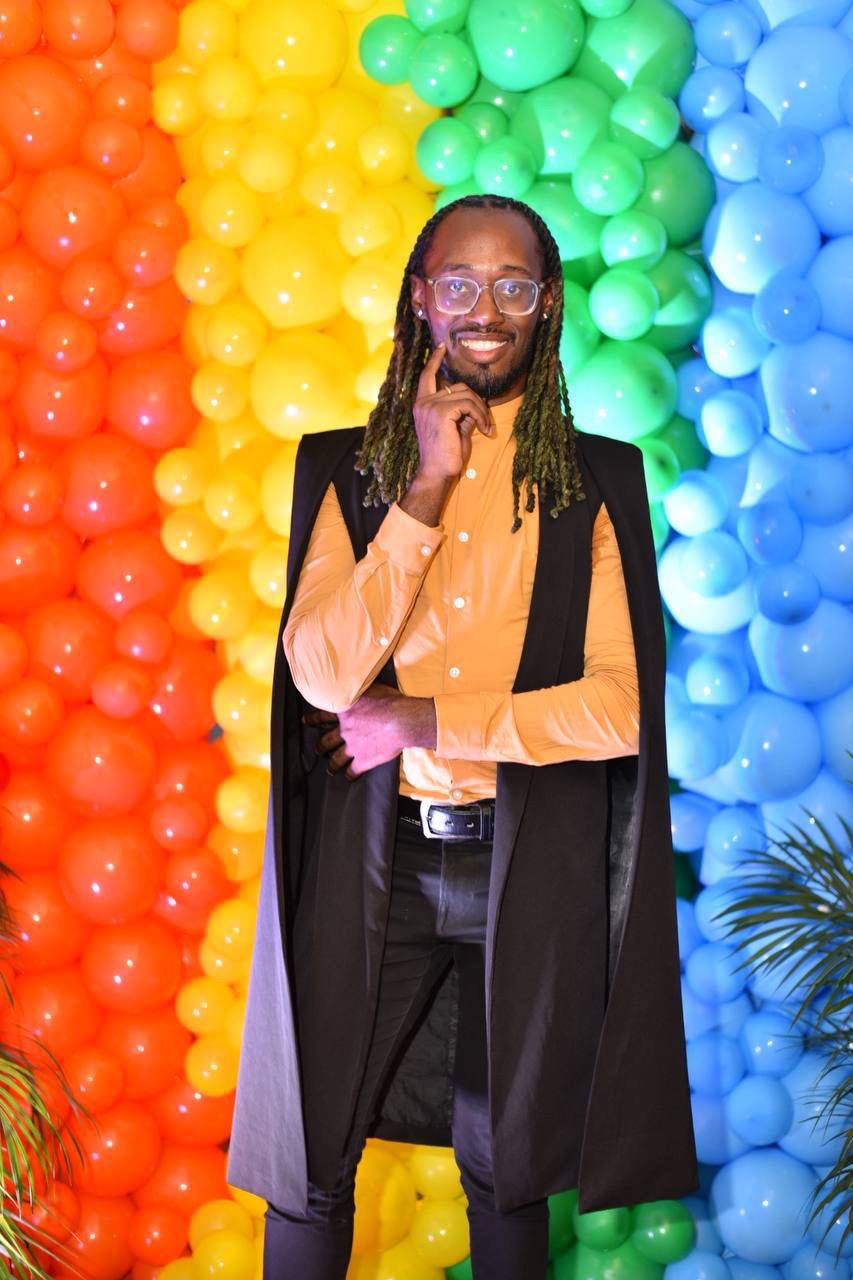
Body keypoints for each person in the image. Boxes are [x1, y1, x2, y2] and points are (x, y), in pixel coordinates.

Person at [226, 193, 699, 1280]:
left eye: (512, 285)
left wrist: (430, 719)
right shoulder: (347, 469)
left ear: (548, 304)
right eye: (458, 283)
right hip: (372, 859)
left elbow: (620, 705)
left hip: (525, 864)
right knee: (308, 1162)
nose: (485, 309)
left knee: (508, 1163)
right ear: (419, 299)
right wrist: (425, 489)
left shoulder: (599, 480)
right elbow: (322, 670)